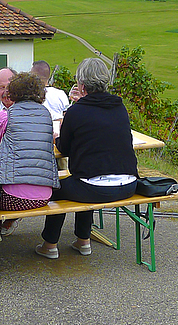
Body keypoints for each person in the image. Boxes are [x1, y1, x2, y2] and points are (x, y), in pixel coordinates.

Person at [36, 58, 138, 260]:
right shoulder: (119, 107)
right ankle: (83, 241)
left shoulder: (76, 111)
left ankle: (50, 244)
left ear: (81, 85)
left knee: (60, 187)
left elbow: (64, 148)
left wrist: (58, 136)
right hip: (129, 184)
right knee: (85, 178)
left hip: (93, 188)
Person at [0, 72, 59, 273]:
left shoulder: (6, 115)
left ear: (14, 92)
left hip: (15, 198)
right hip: (45, 194)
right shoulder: (45, 114)